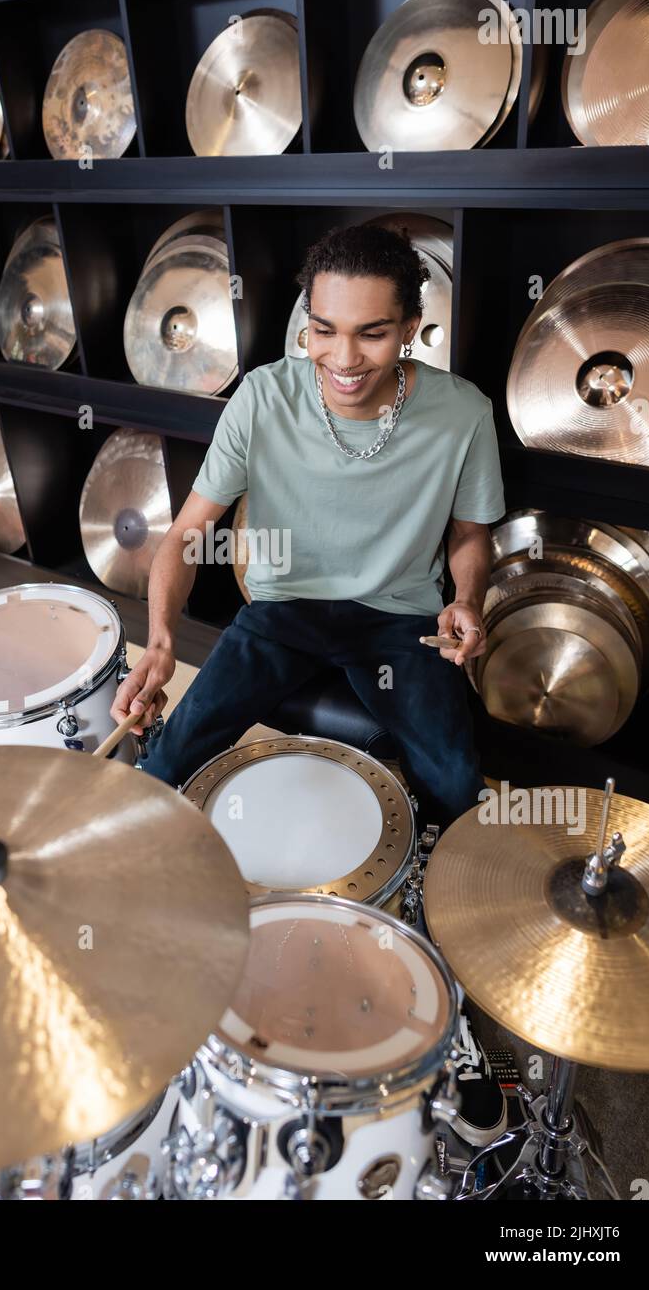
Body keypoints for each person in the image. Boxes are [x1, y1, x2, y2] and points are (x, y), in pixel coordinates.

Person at [113, 221, 508, 1147]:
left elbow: (469, 535)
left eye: (370, 332)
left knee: (457, 789)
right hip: (284, 607)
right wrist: (162, 638)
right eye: (322, 330)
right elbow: (182, 535)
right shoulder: (262, 397)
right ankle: (134, 941)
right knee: (167, 755)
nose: (343, 355)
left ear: (411, 326)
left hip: (398, 618)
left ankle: (444, 988)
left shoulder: (462, 412)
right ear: (303, 325)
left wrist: (465, 601)